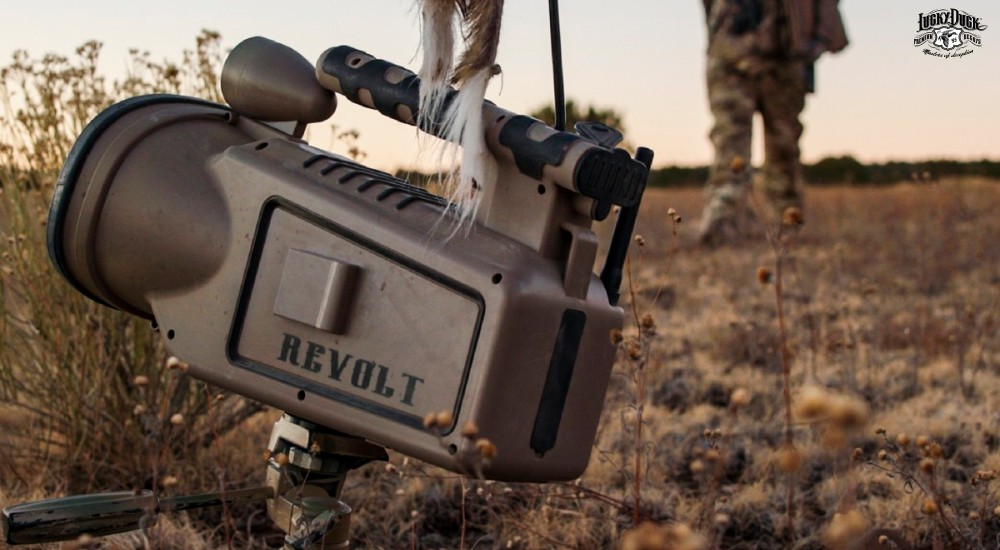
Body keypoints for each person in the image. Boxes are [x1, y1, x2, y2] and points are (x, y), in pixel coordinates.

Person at [697, 0, 847, 244]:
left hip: (784, 56)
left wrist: (815, 41)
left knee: (784, 147)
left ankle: (786, 225)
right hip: (730, 53)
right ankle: (724, 224)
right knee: (729, 145)